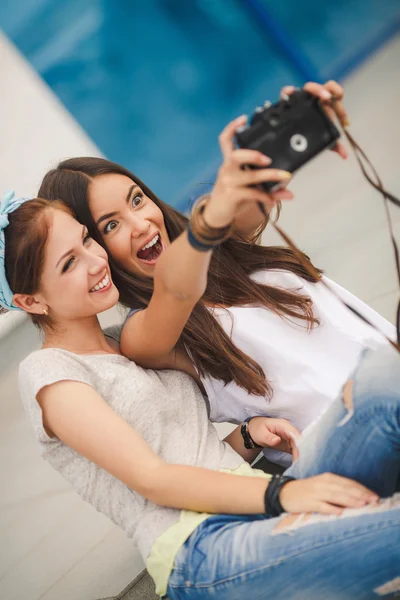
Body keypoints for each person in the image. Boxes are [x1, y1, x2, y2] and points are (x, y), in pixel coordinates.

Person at [1, 192, 399, 599]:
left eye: (86, 240)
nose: (96, 261)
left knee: (381, 375)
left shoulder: (122, 343)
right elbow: (152, 479)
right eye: (69, 264)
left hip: (253, 504)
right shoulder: (50, 372)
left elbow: (185, 450)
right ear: (31, 301)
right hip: (201, 548)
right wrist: (285, 493)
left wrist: (246, 436)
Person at [38, 80, 395, 467]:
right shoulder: (144, 336)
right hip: (346, 444)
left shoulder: (221, 246)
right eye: (111, 226)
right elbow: (178, 288)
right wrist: (213, 214)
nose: (140, 224)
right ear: (96, 251)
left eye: (137, 199)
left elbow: (244, 203)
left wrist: (304, 121)